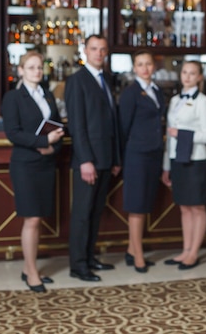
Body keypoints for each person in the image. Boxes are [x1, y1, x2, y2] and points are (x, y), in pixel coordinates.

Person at [1, 51, 65, 293]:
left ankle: (29, 268)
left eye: (39, 67)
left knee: (38, 218)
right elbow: (13, 133)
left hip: (46, 163)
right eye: (31, 68)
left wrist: (53, 146)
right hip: (25, 165)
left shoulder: (47, 96)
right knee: (32, 218)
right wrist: (43, 142)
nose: (36, 71)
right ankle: (32, 272)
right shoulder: (13, 98)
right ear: (21, 71)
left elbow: (58, 127)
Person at [65, 34, 120, 282]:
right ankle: (78, 265)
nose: (99, 53)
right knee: (82, 214)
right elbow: (77, 125)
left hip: (107, 158)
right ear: (84, 51)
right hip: (88, 161)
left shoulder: (106, 79)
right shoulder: (77, 81)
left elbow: (112, 123)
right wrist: (85, 160)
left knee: (96, 212)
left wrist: (116, 158)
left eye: (102, 49)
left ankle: (89, 258)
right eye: (94, 49)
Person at [161, 60, 206, 270]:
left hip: (195, 159)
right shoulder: (174, 100)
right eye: (185, 72)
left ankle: (194, 252)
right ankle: (185, 250)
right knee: (184, 207)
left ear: (199, 77)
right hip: (177, 159)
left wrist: (184, 134)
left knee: (197, 207)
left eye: (193, 73)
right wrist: (167, 165)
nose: (188, 76)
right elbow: (169, 135)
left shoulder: (204, 101)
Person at [119, 49, 166, 273]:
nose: (145, 68)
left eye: (148, 63)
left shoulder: (157, 90)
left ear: (153, 66)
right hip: (136, 155)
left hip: (154, 154)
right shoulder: (131, 93)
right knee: (136, 207)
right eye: (140, 64)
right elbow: (123, 128)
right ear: (134, 68)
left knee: (145, 203)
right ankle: (138, 255)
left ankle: (131, 249)